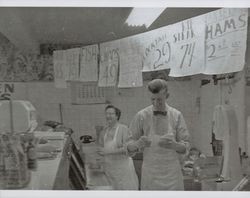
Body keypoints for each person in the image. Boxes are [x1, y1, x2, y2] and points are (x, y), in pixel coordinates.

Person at [127, 79, 190, 190]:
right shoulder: (142, 116)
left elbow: (185, 146)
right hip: (151, 174)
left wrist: (174, 145)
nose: (156, 103)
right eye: (153, 99)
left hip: (172, 175)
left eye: (159, 100)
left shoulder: (177, 115)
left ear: (167, 96)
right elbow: (128, 146)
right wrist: (138, 144)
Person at [97, 105, 139, 190]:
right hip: (109, 170)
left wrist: (107, 152)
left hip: (123, 170)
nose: (108, 116)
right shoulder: (104, 131)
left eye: (111, 114)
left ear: (117, 116)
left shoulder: (124, 129)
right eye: (106, 114)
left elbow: (127, 149)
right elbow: (100, 148)